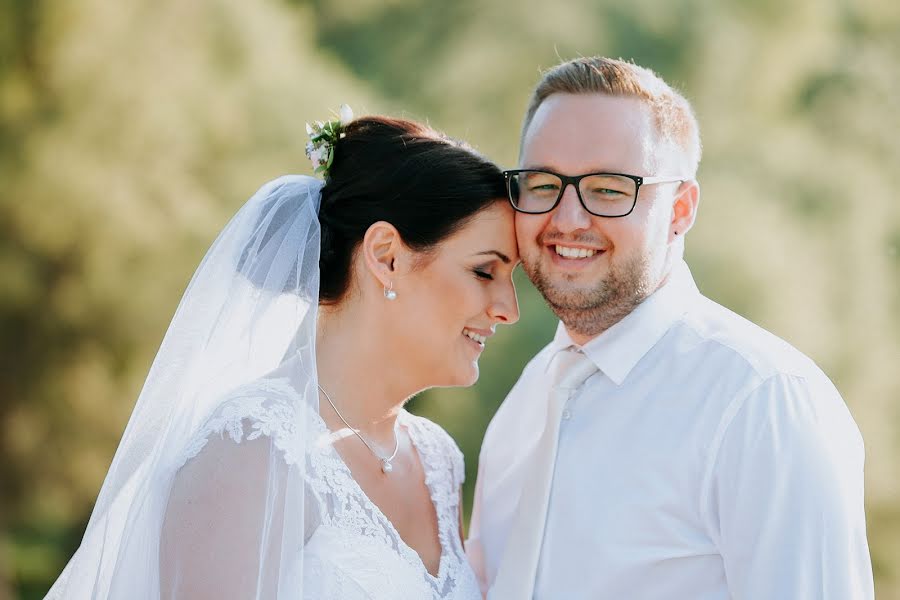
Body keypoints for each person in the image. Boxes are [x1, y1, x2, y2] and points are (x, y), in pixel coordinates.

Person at [46, 111, 519, 599]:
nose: (510, 309)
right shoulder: (255, 449)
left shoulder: (437, 460)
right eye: (485, 272)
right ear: (386, 256)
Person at [467, 57, 874, 599]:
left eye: (609, 189)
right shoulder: (524, 402)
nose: (566, 220)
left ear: (680, 208)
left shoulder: (761, 403)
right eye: (543, 184)